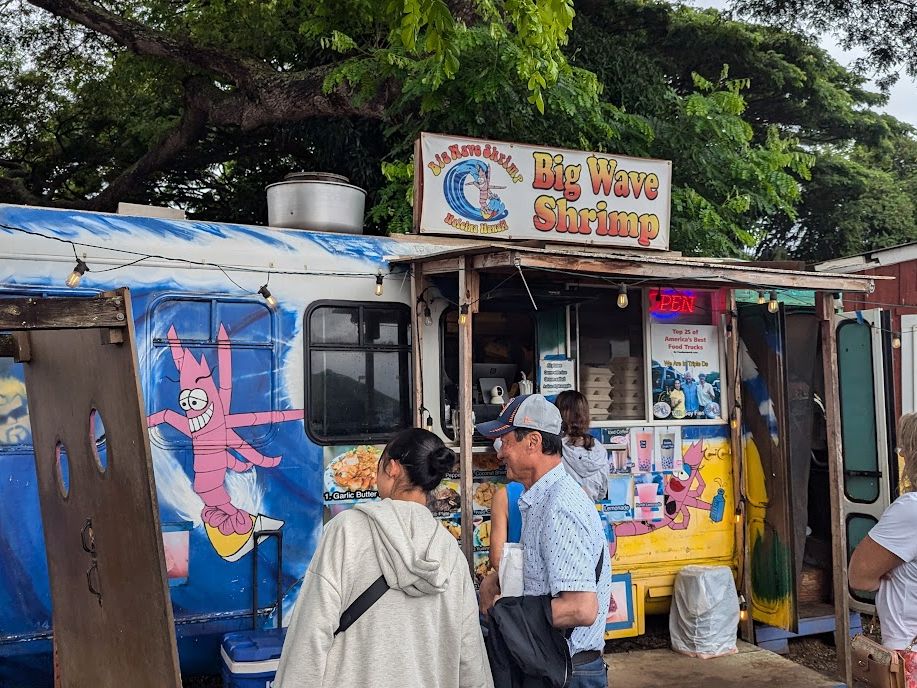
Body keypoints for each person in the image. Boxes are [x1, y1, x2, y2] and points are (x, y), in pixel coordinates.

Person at [274, 428, 493, 688]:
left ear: (392, 468)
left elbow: (312, 632)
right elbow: (470, 655)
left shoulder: (347, 531)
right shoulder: (450, 552)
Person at [476, 395, 612, 688]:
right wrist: (497, 580)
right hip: (553, 666)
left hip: (568, 674)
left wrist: (504, 612)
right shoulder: (540, 498)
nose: (500, 454)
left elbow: (580, 608)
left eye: (506, 442)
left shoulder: (559, 506)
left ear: (533, 442)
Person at [849, 412, 917, 684]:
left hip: (909, 650)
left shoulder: (910, 510)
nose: (900, 454)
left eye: (904, 447)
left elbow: (859, 578)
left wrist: (891, 577)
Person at [555, 390, 609, 502]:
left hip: (558, 511)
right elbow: (602, 493)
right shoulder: (599, 449)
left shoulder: (553, 448)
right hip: (589, 511)